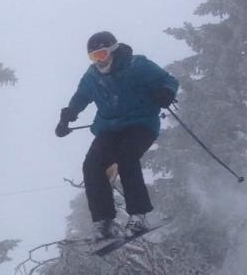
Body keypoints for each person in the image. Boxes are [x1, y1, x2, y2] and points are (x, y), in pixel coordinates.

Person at [55, 31, 179, 240]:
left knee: (127, 157)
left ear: (113, 51)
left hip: (141, 123)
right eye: (94, 57)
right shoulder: (92, 76)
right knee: (92, 165)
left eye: (102, 55)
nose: (99, 62)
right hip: (109, 128)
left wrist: (166, 92)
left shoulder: (137, 66)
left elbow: (168, 80)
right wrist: (67, 116)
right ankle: (103, 222)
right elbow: (81, 97)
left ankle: (138, 215)